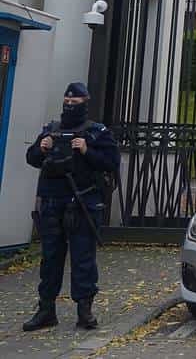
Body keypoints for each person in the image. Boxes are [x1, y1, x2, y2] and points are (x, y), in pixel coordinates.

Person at [23, 82, 119, 331]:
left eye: (75, 104)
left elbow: (111, 162)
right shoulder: (51, 130)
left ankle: (84, 311)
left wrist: (87, 151)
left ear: (85, 103)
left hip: (82, 203)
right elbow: (32, 159)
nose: (69, 107)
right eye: (67, 102)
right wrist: (40, 149)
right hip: (52, 204)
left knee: (83, 259)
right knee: (50, 259)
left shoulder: (97, 132)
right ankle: (46, 310)